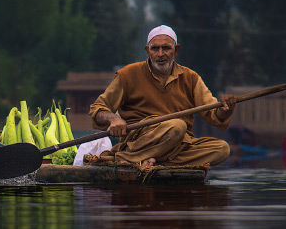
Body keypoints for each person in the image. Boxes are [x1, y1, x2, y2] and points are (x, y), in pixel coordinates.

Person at [89, 25, 237, 169]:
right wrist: (113, 119)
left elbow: (213, 114)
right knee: (177, 126)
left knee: (222, 148)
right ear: (148, 51)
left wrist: (226, 109)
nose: (160, 54)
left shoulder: (191, 78)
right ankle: (129, 157)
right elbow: (98, 109)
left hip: (179, 146)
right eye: (155, 49)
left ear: (176, 50)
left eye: (166, 48)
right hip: (141, 142)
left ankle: (150, 162)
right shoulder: (127, 75)